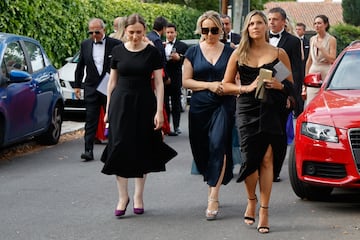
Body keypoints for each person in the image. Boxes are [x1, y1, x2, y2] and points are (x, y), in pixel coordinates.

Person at [222, 10, 293, 233]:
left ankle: (264, 209)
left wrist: (279, 85)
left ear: (265, 26)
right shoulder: (239, 54)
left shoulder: (278, 53)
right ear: (247, 28)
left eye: (260, 22)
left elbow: (289, 84)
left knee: (267, 159)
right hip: (246, 109)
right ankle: (251, 199)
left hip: (271, 109)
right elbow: (225, 85)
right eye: (251, 23)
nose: (256, 26)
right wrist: (246, 88)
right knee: (249, 159)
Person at [100, 13, 177, 217]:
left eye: (139, 32)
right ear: (125, 31)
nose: (135, 36)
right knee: (119, 147)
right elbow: (112, 82)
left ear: (145, 32)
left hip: (144, 102)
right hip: (120, 103)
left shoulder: (152, 52)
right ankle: (122, 196)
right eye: (131, 32)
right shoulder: (117, 51)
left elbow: (159, 83)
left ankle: (138, 196)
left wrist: (160, 111)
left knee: (142, 147)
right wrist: (108, 109)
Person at [182, 10, 235, 221]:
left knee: (218, 144)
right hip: (199, 106)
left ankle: (213, 196)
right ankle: (212, 177)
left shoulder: (231, 52)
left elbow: (236, 78)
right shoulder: (193, 52)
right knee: (201, 149)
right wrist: (209, 85)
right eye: (206, 30)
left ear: (221, 30)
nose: (210, 34)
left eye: (214, 30)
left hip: (223, 103)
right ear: (200, 30)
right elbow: (186, 81)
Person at [74, 18, 121, 161]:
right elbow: (80, 66)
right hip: (91, 87)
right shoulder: (85, 45)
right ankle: (88, 150)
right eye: (91, 32)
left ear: (104, 30)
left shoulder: (116, 45)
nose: (94, 35)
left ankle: (113, 150)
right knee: (91, 119)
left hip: (109, 86)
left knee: (112, 118)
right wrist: (77, 85)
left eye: (97, 32)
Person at [268, 7, 301, 181]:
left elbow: (295, 71)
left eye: (275, 19)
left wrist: (291, 95)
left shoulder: (293, 42)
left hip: (282, 92)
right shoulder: (260, 39)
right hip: (261, 92)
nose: (271, 22)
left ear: (283, 21)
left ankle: (275, 171)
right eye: (269, 19)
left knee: (279, 134)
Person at [305, 14, 337, 105]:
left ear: (325, 25)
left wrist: (322, 48)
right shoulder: (312, 39)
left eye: (319, 23)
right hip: (313, 71)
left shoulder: (331, 39)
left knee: (326, 100)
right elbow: (309, 60)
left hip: (326, 71)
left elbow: (332, 59)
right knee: (311, 101)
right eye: (315, 23)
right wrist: (306, 77)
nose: (316, 25)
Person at [164, 23, 188, 136]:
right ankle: (166, 125)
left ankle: (177, 126)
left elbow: (186, 60)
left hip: (176, 77)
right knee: (164, 103)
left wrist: (179, 58)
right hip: (164, 78)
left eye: (171, 32)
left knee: (176, 103)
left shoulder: (182, 45)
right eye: (168, 32)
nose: (169, 35)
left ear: (176, 33)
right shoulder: (161, 45)